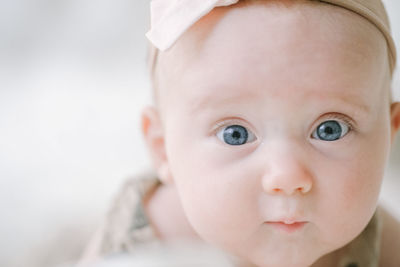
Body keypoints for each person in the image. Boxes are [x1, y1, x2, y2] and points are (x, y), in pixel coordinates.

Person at [80, 0, 400, 266]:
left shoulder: (378, 239)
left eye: (330, 129)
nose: (286, 177)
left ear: (390, 134)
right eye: (236, 134)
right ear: (163, 148)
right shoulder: (144, 238)